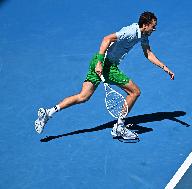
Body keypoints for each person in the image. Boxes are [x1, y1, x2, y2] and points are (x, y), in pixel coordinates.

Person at [35, 11, 175, 139]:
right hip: (106, 65)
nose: (154, 29)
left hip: (97, 60)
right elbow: (106, 38)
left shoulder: (143, 35)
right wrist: (100, 63)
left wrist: (164, 67)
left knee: (83, 96)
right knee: (135, 92)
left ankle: (48, 113)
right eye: (153, 26)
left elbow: (148, 53)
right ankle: (119, 127)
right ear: (145, 25)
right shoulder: (131, 32)